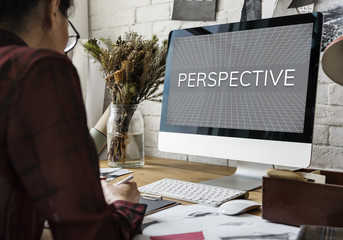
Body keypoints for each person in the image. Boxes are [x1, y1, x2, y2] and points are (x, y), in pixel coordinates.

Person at [0, 0, 146, 239]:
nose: (68, 51)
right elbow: (91, 235)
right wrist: (124, 204)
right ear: (52, 8)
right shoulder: (37, 68)